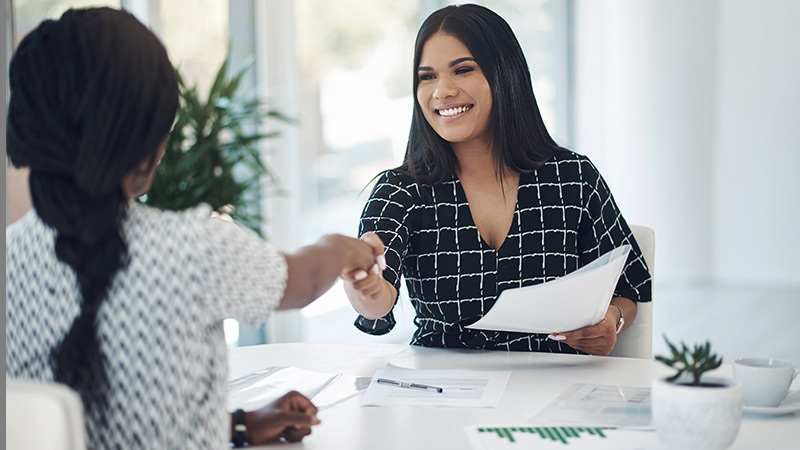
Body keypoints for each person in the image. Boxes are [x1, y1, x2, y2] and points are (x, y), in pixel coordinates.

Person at [5, 7, 384, 448]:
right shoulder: (192, 247)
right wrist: (343, 249)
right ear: (151, 141)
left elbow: (87, 424)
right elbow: (300, 281)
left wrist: (239, 424)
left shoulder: (9, 257)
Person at [343, 4, 651, 356]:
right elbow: (377, 304)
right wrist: (363, 284)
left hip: (552, 389)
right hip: (443, 394)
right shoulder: (401, 191)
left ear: (505, 74)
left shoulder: (573, 177)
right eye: (427, 76)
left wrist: (613, 319)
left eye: (462, 70)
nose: (441, 91)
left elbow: (631, 287)